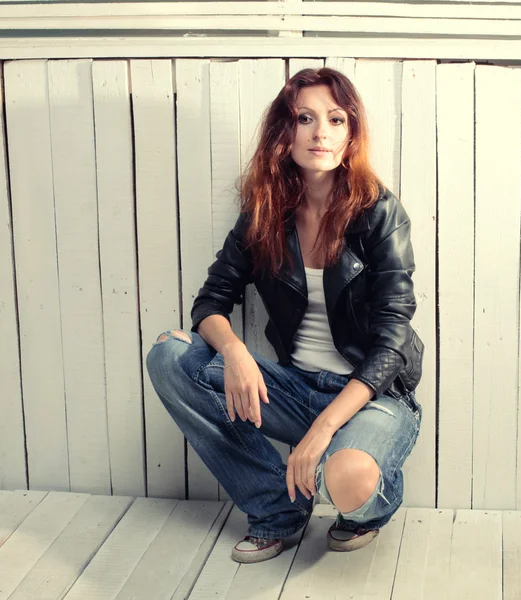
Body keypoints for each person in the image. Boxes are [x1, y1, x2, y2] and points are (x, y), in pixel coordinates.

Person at [146, 67, 424, 565]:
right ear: (284, 131)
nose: (322, 132)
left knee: (347, 481)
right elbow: (211, 301)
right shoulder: (265, 212)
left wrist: (320, 434)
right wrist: (234, 353)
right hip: (297, 388)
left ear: (350, 133)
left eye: (337, 119)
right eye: (306, 118)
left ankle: (365, 501)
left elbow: (392, 344)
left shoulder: (379, 212)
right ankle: (277, 509)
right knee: (171, 355)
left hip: (373, 397)